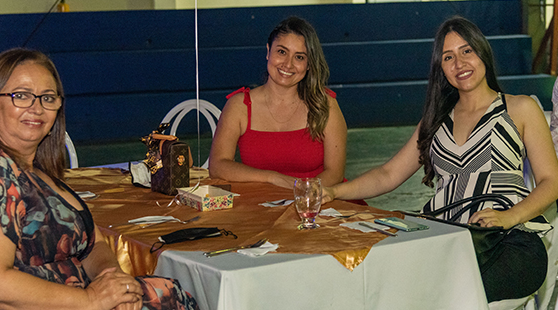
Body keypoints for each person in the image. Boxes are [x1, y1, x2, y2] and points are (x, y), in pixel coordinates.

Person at [0, 49, 200, 310]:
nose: (36, 107)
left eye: (48, 98)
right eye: (22, 96)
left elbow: (93, 244)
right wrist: (90, 300)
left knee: (169, 294)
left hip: (74, 297)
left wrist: (113, 280)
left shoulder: (39, 172)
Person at [322, 16, 558, 302]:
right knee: (380, 289)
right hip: (448, 242)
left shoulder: (520, 108)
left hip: (510, 241)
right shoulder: (434, 121)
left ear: (482, 52)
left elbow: (551, 181)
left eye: (466, 51)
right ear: (441, 68)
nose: (459, 63)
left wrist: (510, 216)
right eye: (448, 57)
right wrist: (333, 191)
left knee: (450, 296)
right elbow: (388, 174)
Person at [208, 16, 348, 189]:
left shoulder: (325, 104)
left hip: (317, 204)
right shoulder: (239, 106)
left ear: (309, 64)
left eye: (299, 57)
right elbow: (217, 165)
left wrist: (303, 194)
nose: (288, 64)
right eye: (282, 52)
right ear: (268, 51)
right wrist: (273, 178)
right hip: (259, 207)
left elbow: (335, 174)